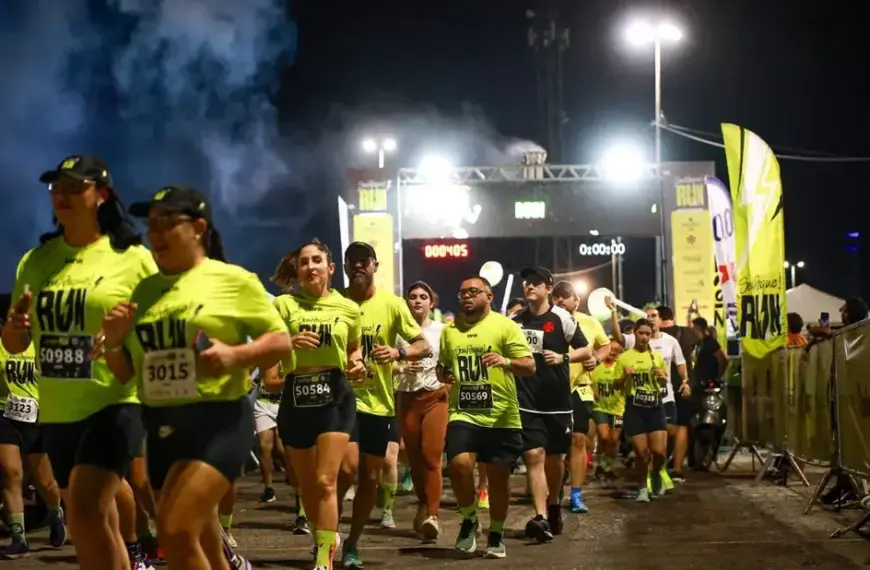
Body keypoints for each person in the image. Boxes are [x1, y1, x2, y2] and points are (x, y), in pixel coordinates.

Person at [101, 185, 291, 570]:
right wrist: (113, 344)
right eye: (151, 224)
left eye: (168, 222)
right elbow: (126, 374)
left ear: (198, 227)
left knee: (174, 529)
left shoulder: (232, 279)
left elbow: (281, 342)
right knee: (201, 536)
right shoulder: (146, 290)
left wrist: (237, 354)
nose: (155, 233)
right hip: (163, 428)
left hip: (219, 420)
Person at [2, 155, 155, 569]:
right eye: (57, 188)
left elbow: (158, 328)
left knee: (87, 505)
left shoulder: (132, 258)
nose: (63, 196)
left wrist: (123, 339)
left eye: (76, 188)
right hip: (57, 413)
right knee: (88, 521)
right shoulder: (36, 262)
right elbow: (16, 344)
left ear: (101, 196)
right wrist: (15, 325)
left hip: (113, 402)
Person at [270, 238, 368, 570]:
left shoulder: (348, 308)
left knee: (327, 480)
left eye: (316, 260)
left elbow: (353, 349)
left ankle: (324, 560)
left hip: (335, 395)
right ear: (297, 271)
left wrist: (358, 363)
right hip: (296, 395)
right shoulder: (282, 306)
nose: (310, 266)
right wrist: (288, 341)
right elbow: (265, 347)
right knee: (306, 484)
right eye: (304, 262)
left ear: (330, 268)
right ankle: (322, 538)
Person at [336, 242, 431, 569]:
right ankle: (328, 531)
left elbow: (424, 345)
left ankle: (351, 543)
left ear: (375, 265)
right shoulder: (334, 302)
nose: (359, 266)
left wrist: (397, 353)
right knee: (345, 471)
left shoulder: (392, 304)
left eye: (365, 261)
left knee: (370, 479)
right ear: (345, 267)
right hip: (342, 403)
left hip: (379, 403)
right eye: (353, 261)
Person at [438, 275, 536, 559]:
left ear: (489, 296)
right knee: (458, 465)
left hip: (501, 416)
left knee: (499, 480)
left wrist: (504, 361)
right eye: (461, 292)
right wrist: (442, 374)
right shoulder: (449, 331)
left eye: (473, 291)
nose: (466, 296)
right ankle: (469, 518)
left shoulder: (505, 326)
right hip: (464, 412)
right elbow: (443, 368)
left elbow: (529, 365)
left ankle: (496, 533)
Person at [511, 267, 592, 542]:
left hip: (557, 401)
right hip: (526, 400)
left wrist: (563, 358)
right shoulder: (516, 320)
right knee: (534, 456)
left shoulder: (562, 318)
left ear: (548, 287)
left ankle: (555, 506)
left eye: (535, 283)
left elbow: (586, 349)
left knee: (555, 460)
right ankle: (541, 516)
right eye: (526, 283)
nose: (529, 286)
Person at [0, 331, 66, 558]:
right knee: (11, 473)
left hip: (37, 418)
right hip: (4, 416)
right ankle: (19, 539)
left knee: (45, 482)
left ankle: (55, 513)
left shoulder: (41, 347)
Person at [394, 281, 448, 542]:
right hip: (406, 398)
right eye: (412, 296)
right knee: (413, 460)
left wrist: (447, 383)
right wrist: (401, 367)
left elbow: (450, 362)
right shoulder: (396, 333)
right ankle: (424, 504)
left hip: (435, 396)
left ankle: (433, 515)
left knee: (431, 456)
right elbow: (381, 363)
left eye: (423, 297)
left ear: (431, 303)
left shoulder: (442, 331)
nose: (417, 301)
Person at [551, 280, 611, 513]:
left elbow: (605, 346)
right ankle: (554, 489)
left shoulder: (589, 322)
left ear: (577, 300)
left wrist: (596, 358)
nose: (561, 300)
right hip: (553, 389)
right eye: (556, 296)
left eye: (566, 296)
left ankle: (576, 494)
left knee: (579, 440)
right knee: (554, 445)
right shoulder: (548, 322)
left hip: (580, 388)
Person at [617, 319, 669, 502]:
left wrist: (662, 377)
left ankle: (655, 474)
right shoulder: (624, 358)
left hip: (655, 406)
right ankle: (641, 487)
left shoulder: (657, 357)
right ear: (635, 334)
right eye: (641, 333)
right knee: (641, 453)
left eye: (648, 334)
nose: (644, 337)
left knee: (659, 452)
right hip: (635, 408)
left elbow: (664, 382)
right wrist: (624, 376)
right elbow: (616, 385)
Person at [644, 307, 690, 483]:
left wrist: (685, 381)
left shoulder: (670, 341)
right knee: (652, 437)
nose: (650, 319)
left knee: (669, 432)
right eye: (647, 316)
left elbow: (680, 362)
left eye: (653, 316)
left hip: (666, 395)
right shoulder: (639, 340)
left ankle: (660, 467)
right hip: (646, 397)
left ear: (660, 320)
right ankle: (653, 473)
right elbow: (619, 340)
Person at [656, 305, 697, 474]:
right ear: (672, 316)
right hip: (684, 383)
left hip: (662, 385)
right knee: (682, 425)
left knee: (659, 426)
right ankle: (678, 468)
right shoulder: (688, 333)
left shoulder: (654, 336)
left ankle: (659, 467)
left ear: (659, 318)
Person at [589, 339, 625, 480]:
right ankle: (600, 465)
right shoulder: (596, 367)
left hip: (618, 409)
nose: (613, 352)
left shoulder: (621, 367)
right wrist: (592, 391)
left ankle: (608, 466)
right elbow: (588, 380)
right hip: (600, 407)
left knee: (613, 440)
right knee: (604, 437)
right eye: (611, 349)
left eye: (616, 350)